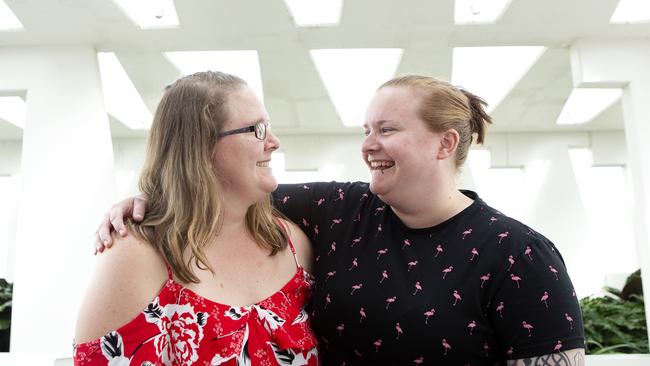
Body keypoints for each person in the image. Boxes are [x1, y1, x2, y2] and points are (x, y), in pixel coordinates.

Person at [96, 75, 585, 365]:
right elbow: (225, 189)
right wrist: (148, 200)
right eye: (366, 130)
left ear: (446, 144)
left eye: (387, 129)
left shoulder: (518, 253)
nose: (368, 144)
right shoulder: (340, 210)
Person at [75, 71, 319, 365]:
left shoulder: (291, 243)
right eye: (257, 129)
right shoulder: (134, 255)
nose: (274, 142)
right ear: (201, 146)